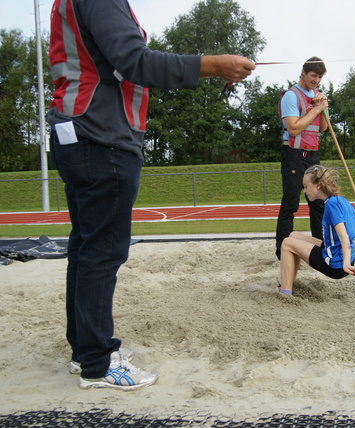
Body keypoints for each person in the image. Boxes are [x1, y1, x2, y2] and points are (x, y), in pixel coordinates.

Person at [47, 0, 255, 391]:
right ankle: (96, 362)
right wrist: (211, 66)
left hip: (78, 133)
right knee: (102, 251)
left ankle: (85, 351)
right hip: (101, 136)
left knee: (87, 247)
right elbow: (134, 61)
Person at [278, 165, 355, 295]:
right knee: (293, 236)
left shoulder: (331, 205)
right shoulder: (343, 202)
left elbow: (344, 237)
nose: (304, 191)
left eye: (306, 187)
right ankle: (289, 282)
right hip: (344, 257)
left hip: (336, 265)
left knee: (287, 243)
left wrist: (345, 265)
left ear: (318, 185)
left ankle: (285, 292)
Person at [275, 57, 329, 260]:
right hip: (294, 155)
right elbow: (293, 128)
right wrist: (315, 109)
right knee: (290, 205)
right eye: (314, 76)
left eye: (320, 77)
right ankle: (283, 251)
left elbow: (323, 127)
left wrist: (323, 107)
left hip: (313, 155)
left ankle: (321, 249)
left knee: (318, 204)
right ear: (304, 73)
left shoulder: (317, 96)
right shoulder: (291, 96)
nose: (316, 80)